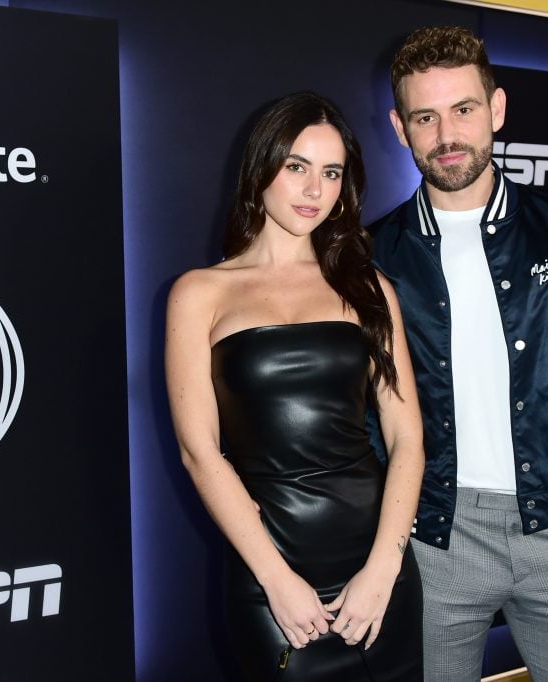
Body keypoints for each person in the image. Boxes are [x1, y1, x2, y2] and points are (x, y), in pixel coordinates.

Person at [367, 26, 548, 682]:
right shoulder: (371, 255)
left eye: (464, 110)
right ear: (399, 127)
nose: (447, 135)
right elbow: (359, 416)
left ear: (496, 109)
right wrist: (393, 533)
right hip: (434, 538)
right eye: (425, 116)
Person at [165, 91, 425, 681]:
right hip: (271, 575)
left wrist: (384, 570)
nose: (314, 190)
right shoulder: (200, 293)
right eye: (296, 167)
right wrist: (276, 579)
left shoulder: (369, 289)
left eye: (331, 172)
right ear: (261, 168)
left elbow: (407, 437)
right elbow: (199, 452)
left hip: (378, 568)